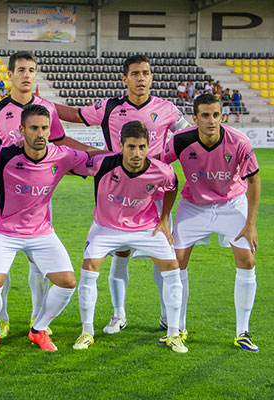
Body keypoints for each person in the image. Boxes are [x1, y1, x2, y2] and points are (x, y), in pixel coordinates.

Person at [52, 54, 191, 335]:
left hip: (154, 194)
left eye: (146, 73)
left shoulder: (167, 109)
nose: (141, 78)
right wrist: (41, 103)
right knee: (120, 254)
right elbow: (75, 115)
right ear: (125, 78)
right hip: (116, 192)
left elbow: (188, 137)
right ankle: (118, 315)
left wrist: (165, 160)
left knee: (163, 256)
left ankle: (167, 317)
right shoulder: (110, 107)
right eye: (136, 73)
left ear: (152, 77)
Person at [0, 51, 98, 339]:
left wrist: (94, 153)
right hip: (4, 199)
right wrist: (3, 181)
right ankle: (1, 318)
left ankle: (37, 316)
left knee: (38, 263)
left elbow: (59, 144)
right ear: (10, 75)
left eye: (31, 70)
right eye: (21, 70)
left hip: (40, 200)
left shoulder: (46, 109)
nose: (26, 75)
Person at [0, 104, 86, 355]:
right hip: (3, 230)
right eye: (34, 128)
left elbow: (94, 160)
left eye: (45, 128)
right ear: (21, 130)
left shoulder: (62, 156)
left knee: (67, 282)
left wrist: (124, 153)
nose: (40, 133)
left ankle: (39, 329)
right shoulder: (2, 155)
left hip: (41, 231)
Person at [71, 120, 185, 353]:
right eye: (131, 147)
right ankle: (87, 331)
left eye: (142, 147)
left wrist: (164, 219)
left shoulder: (161, 169)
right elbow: (71, 163)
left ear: (148, 145)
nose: (137, 153)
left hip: (146, 228)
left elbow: (173, 186)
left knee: (173, 269)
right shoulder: (102, 164)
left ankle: (174, 333)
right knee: (90, 267)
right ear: (121, 146)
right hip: (106, 227)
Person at [162, 93, 260, 352]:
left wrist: (250, 224)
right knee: (176, 262)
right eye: (205, 115)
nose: (211, 120)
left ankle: (243, 331)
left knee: (247, 261)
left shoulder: (239, 141)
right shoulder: (180, 141)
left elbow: (253, 181)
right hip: (193, 206)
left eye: (216, 114)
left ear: (221, 115)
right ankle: (178, 328)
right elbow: (158, 166)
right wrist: (159, 216)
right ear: (195, 118)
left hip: (232, 204)